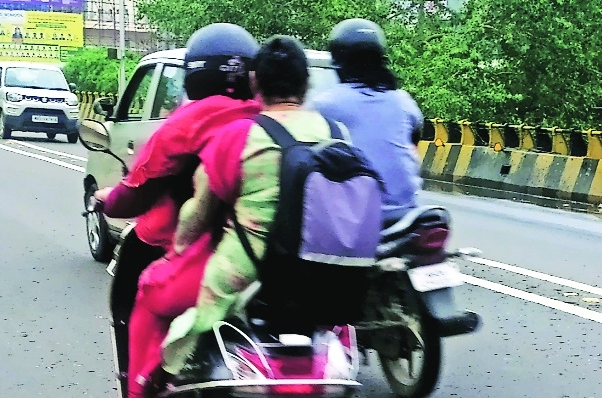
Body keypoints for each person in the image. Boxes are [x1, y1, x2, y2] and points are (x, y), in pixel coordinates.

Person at [93, 23, 262, 398]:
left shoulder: (191, 120)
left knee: (148, 294)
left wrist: (107, 200)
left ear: (195, 74)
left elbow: (138, 190)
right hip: (280, 253)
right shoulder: (272, 117)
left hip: (212, 248)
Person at [160, 35, 334, 369]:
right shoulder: (337, 132)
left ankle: (160, 386)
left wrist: (178, 246)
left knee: (177, 325)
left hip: (249, 270)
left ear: (254, 83)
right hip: (326, 272)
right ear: (307, 83)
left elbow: (199, 211)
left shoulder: (239, 134)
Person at [309, 18, 424, 225]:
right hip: (407, 215)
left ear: (339, 63)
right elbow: (415, 136)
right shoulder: (403, 101)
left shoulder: (325, 105)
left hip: (356, 222)